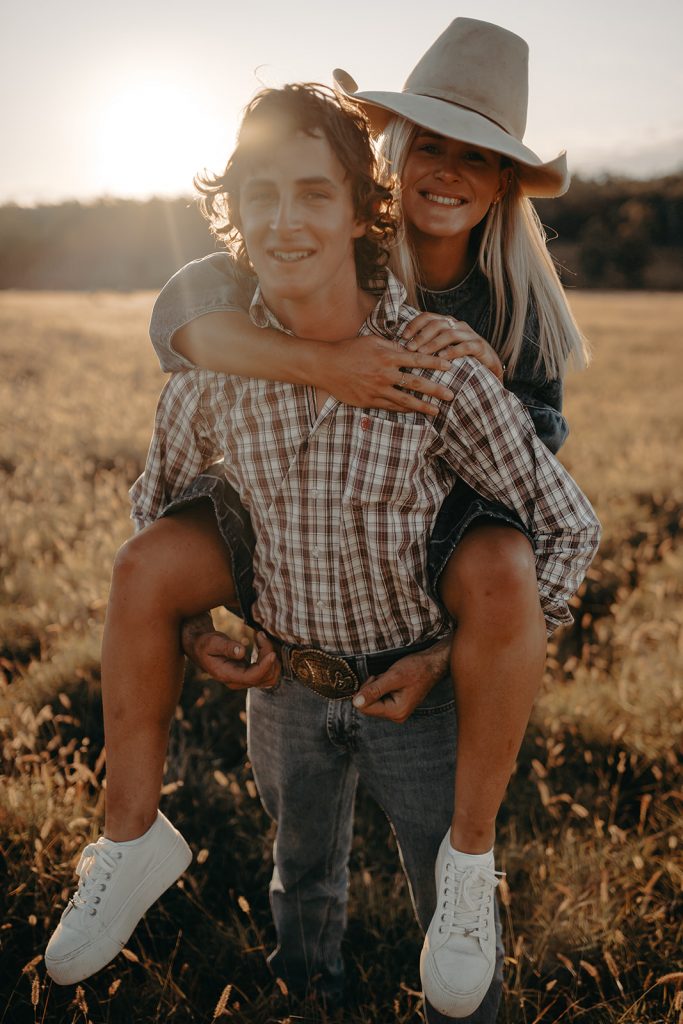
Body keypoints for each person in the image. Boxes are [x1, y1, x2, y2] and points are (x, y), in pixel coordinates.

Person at [45, 74, 599, 1022]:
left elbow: (564, 521)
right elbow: (161, 508)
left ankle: (467, 946)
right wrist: (190, 628)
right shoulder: (211, 375)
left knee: (447, 895)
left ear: (359, 214)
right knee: (298, 869)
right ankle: (302, 991)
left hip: (415, 689)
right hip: (288, 685)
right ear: (233, 214)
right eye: (259, 194)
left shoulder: (435, 361)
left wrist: (444, 655)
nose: (284, 218)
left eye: (312, 193)